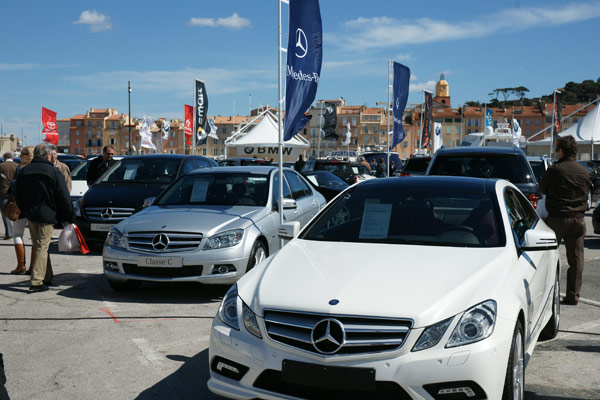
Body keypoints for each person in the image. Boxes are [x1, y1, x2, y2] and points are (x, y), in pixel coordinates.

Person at [15, 143, 74, 293]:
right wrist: (68, 216)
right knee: (42, 247)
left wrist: (25, 209)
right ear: (47, 156)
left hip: (31, 215)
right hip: (47, 215)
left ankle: (47, 276)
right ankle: (36, 282)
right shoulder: (53, 171)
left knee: (41, 246)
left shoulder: (24, 171)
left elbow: (18, 194)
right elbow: (63, 196)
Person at [539, 135, 590, 305]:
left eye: (557, 149)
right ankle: (573, 295)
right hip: (578, 219)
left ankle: (545, 294)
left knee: (547, 257)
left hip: (557, 219)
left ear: (561, 150)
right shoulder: (584, 172)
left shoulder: (555, 169)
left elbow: (542, 188)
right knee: (576, 259)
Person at [8, 146, 34, 275]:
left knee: (17, 234)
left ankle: (21, 265)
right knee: (35, 238)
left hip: (21, 207)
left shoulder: (20, 169)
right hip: (35, 207)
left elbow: (15, 187)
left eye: (22, 154)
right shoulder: (37, 168)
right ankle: (33, 267)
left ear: (24, 155)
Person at [0, 151, 18, 240]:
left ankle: (9, 233)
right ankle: (18, 232)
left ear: (4, 158)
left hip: (4, 192)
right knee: (16, 211)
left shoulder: (1, 166)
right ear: (12, 157)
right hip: (16, 193)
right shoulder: (17, 166)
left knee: (5, 212)